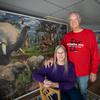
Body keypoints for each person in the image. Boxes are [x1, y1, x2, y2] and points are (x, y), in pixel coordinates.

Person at [45, 11, 99, 100]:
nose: (73, 22)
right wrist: (52, 58)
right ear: (69, 22)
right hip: (69, 72)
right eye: (71, 20)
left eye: (75, 19)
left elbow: (95, 55)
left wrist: (94, 71)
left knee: (82, 93)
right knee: (72, 93)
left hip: (83, 73)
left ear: (80, 20)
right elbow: (60, 50)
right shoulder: (67, 36)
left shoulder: (89, 34)